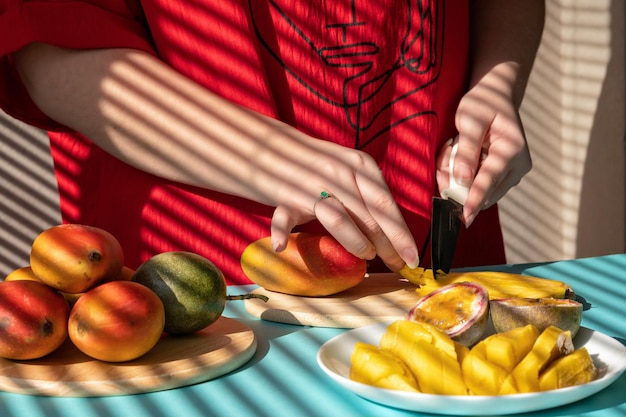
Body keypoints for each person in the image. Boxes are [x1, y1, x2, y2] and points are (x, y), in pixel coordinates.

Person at [0, 1, 544, 284]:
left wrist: (497, 81)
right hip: (209, 289)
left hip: (444, 258)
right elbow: (43, 36)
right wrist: (267, 157)